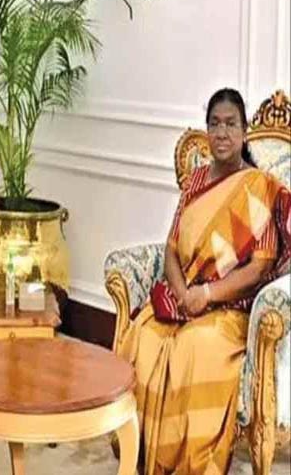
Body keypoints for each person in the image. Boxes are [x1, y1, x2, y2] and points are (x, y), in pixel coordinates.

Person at [121, 87, 288, 475]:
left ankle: (191, 465)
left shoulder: (258, 187)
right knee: (145, 337)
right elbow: (172, 247)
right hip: (184, 300)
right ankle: (142, 458)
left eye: (230, 124)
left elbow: (259, 267)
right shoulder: (195, 181)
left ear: (244, 132)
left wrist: (208, 294)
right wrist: (183, 293)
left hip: (229, 309)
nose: (221, 133)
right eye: (214, 124)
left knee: (195, 348)